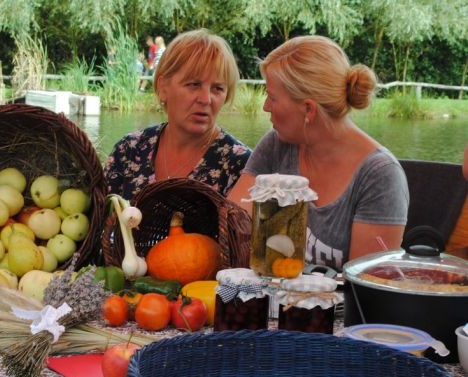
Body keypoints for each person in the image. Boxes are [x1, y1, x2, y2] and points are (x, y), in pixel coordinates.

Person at [227, 35, 409, 270]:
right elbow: (233, 227)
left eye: (272, 97)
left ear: (308, 110)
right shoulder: (276, 144)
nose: (265, 107)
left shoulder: (380, 176)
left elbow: (366, 281)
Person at [104, 29, 252, 200]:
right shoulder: (128, 151)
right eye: (194, 84)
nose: (206, 99)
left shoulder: (242, 166)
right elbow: (100, 213)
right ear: (163, 88)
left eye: (218, 88)